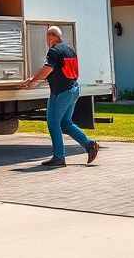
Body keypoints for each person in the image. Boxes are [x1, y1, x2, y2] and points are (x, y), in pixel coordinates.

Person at [22, 26, 99, 167]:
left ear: (51, 37)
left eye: (47, 37)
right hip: (73, 89)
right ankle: (89, 145)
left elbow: (47, 70)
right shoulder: (69, 49)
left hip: (62, 92)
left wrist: (33, 82)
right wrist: (33, 78)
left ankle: (59, 157)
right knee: (65, 123)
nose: (46, 40)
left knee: (53, 123)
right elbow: (57, 70)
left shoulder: (54, 51)